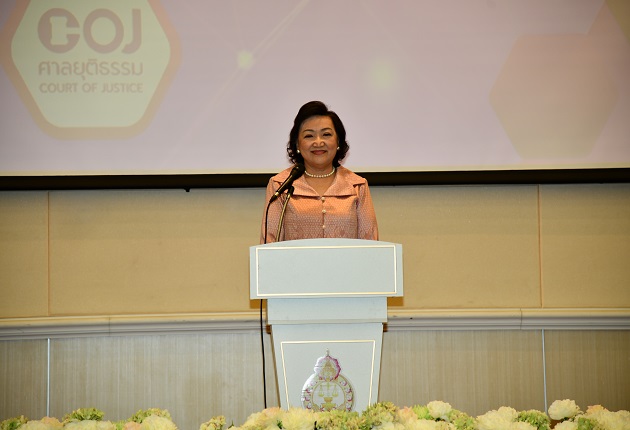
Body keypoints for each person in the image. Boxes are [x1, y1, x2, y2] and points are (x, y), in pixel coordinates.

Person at [261, 101, 378, 243]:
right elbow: (270, 244)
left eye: (326, 134)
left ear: (338, 142)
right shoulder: (280, 185)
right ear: (297, 144)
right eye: (309, 136)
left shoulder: (357, 186)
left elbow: (370, 243)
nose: (318, 142)